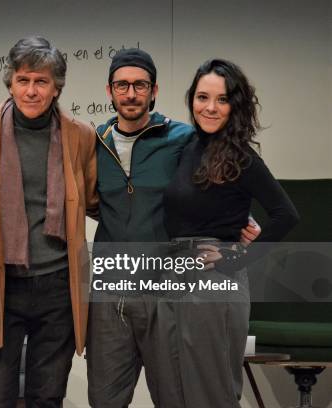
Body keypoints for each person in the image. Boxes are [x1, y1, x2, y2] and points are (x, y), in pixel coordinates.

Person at [87, 49, 261, 407]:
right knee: (103, 399)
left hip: (163, 287)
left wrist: (243, 219)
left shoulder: (184, 139)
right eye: (122, 85)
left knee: (173, 397)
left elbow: (226, 176)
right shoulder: (93, 142)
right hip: (110, 289)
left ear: (154, 90)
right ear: (109, 91)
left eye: (140, 85)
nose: (131, 93)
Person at [161, 58, 299, 407]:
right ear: (191, 99)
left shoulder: (241, 157)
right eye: (202, 97)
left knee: (213, 395)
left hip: (214, 283)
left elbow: (286, 215)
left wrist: (236, 256)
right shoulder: (187, 147)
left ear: (234, 105)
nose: (210, 107)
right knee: (177, 394)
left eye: (221, 99)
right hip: (175, 276)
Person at [0, 36, 98, 407]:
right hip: (2, 282)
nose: (31, 90)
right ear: (10, 82)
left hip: (58, 284)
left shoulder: (80, 135)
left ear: (56, 88)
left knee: (47, 395)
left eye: (41, 82)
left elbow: (95, 200)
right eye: (23, 80)